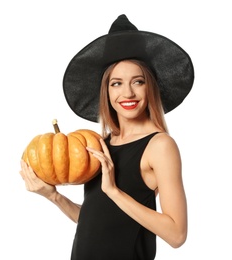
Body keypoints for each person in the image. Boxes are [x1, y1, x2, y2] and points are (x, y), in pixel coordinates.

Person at [20, 14, 194, 260]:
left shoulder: (160, 145)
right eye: (116, 83)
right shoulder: (101, 143)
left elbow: (177, 234)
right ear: (106, 90)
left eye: (138, 81)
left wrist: (113, 191)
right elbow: (96, 220)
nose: (128, 93)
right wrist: (54, 196)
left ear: (150, 87)